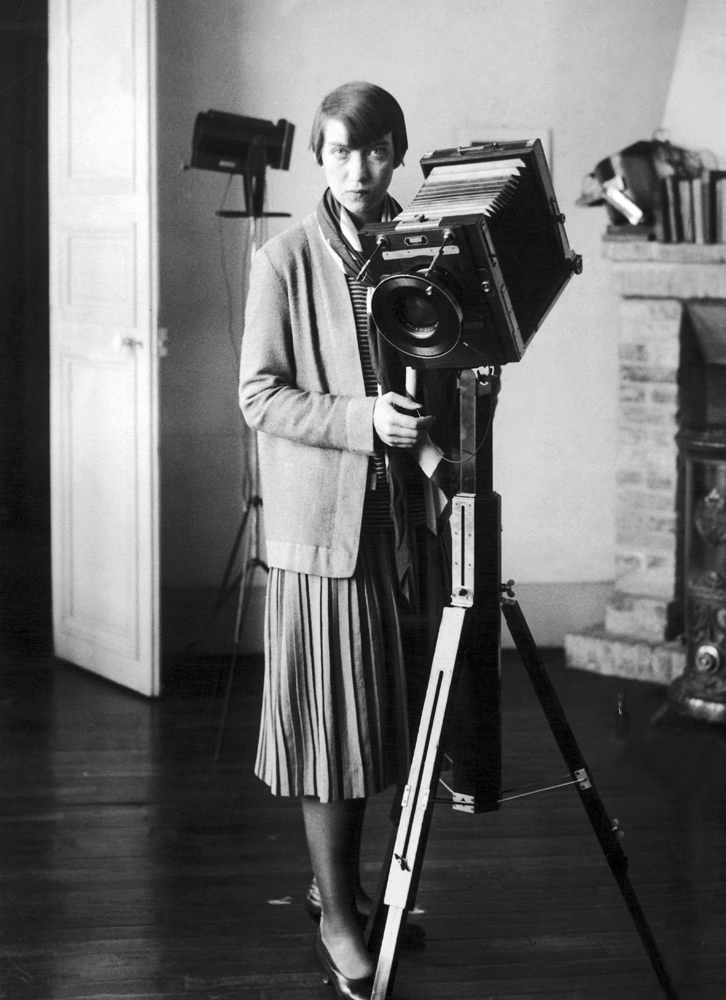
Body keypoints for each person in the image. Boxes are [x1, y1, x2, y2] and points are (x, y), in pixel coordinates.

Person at [239, 81, 452, 1000]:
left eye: (372, 151)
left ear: (399, 150)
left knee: (390, 725)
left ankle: (353, 891)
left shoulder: (430, 248)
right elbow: (258, 396)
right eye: (337, 153)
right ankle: (335, 915)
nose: (357, 170)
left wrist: (441, 450)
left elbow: (450, 367)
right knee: (334, 729)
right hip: (322, 531)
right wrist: (368, 421)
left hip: (411, 522)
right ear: (317, 161)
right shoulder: (283, 258)